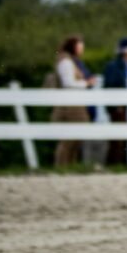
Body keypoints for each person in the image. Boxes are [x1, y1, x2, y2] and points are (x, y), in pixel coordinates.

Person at [50, 34, 98, 167]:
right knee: (68, 139)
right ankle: (61, 165)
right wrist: (86, 83)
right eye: (79, 47)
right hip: (69, 107)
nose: (81, 50)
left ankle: (69, 165)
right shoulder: (65, 62)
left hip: (75, 104)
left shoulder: (71, 61)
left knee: (76, 138)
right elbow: (68, 83)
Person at [102, 37, 127, 165]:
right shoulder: (114, 67)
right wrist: (116, 104)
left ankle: (123, 163)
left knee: (124, 139)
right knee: (117, 139)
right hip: (119, 107)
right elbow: (111, 86)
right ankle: (114, 163)